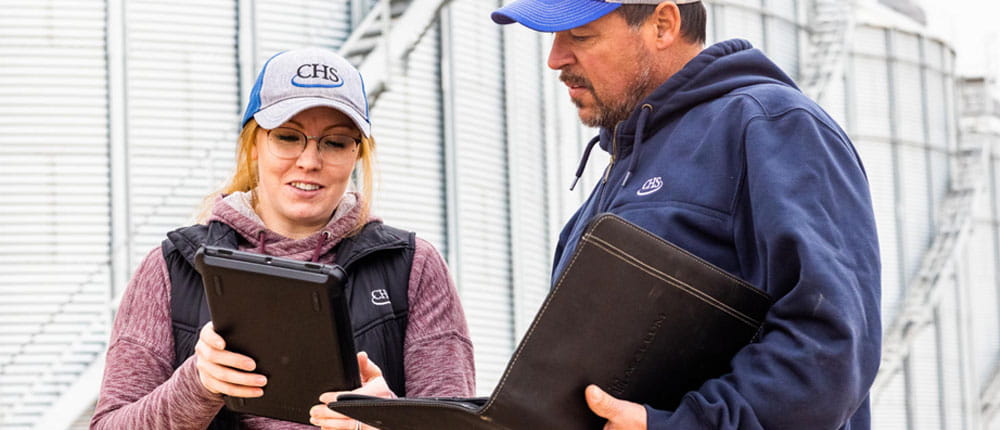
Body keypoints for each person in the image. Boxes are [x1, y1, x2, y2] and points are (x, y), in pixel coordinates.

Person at [492, 1, 880, 429]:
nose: (555, 59)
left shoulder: (772, 125)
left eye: (580, 36)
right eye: (553, 36)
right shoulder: (611, 183)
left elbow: (828, 347)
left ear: (663, 24)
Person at [91, 47, 475, 430]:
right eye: (288, 137)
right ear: (254, 145)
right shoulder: (173, 267)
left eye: (335, 142)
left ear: (357, 154)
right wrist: (197, 384)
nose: (309, 161)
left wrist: (384, 424)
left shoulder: (411, 268)